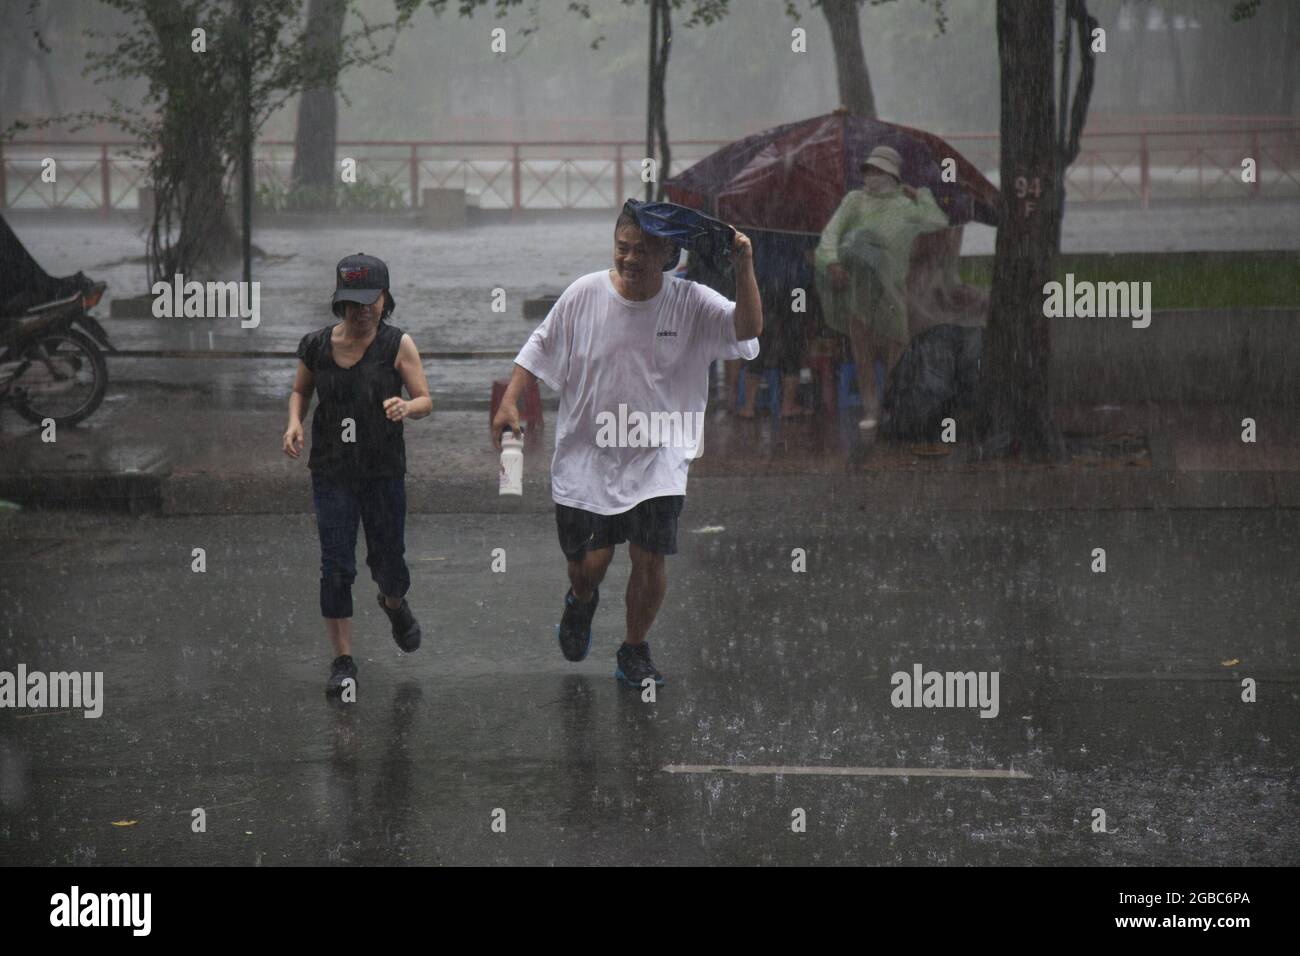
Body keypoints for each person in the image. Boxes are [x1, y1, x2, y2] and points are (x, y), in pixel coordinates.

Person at [491, 208, 761, 688]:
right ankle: (581, 600)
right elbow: (539, 346)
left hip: (659, 455)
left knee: (649, 555)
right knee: (589, 568)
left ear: (668, 254)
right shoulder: (583, 295)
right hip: (587, 456)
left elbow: (747, 329)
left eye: (643, 249)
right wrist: (510, 402)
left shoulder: (692, 302)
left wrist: (743, 265)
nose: (630, 257)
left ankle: (634, 648)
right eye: (623, 246)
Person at [283, 253, 433, 696]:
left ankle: (394, 603)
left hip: (382, 471)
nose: (361, 310)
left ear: (385, 300)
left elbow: (426, 399)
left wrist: (406, 406)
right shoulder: (315, 345)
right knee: (336, 566)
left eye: (370, 301)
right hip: (331, 471)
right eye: (352, 302)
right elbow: (300, 390)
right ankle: (343, 661)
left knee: (388, 563)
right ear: (339, 302)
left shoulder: (397, 344)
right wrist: (294, 422)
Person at [814, 145, 950, 431]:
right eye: (869, 171)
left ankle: (893, 409)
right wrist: (832, 263)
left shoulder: (906, 207)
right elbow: (831, 233)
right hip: (858, 290)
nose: (872, 176)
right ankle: (871, 410)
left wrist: (922, 196)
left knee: (896, 355)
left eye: (879, 171)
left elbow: (937, 221)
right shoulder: (854, 201)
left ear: (892, 175)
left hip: (892, 292)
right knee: (863, 356)